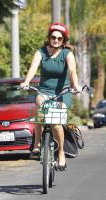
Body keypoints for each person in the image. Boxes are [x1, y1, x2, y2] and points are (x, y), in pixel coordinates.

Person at [20, 22, 81, 171]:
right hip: (44, 91)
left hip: (62, 93)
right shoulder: (40, 52)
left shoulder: (68, 54)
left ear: (63, 41)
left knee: (56, 123)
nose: (56, 40)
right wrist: (26, 82)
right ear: (49, 38)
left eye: (59, 38)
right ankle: (37, 144)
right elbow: (33, 68)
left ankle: (60, 152)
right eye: (53, 37)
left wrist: (75, 86)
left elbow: (72, 72)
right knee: (41, 108)